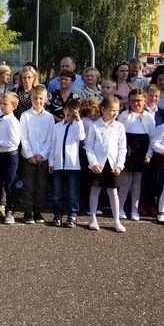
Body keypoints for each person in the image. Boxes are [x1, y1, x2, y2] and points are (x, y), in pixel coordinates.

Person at [84, 95, 127, 232]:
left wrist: (119, 165)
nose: (115, 113)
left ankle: (116, 220)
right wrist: (93, 163)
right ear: (103, 109)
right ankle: (93, 218)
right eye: (112, 110)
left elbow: (122, 148)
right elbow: (88, 146)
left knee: (113, 191)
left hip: (113, 164)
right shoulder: (94, 126)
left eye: (117, 110)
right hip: (98, 164)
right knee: (95, 189)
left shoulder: (119, 127)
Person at [117, 89, 156, 221]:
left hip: (142, 150)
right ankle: (120, 208)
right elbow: (119, 136)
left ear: (145, 101)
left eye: (139, 101)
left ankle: (135, 209)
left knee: (137, 183)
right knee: (125, 181)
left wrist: (149, 154)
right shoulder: (124, 115)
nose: (135, 103)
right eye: (132, 101)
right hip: (128, 149)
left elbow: (152, 138)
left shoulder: (149, 117)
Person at [17, 86, 53, 224]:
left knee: (41, 185)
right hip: (28, 157)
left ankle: (38, 211)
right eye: (35, 98)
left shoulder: (49, 117)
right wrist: (30, 155)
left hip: (43, 157)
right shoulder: (25, 116)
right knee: (28, 185)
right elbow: (23, 137)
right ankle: (28, 212)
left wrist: (42, 154)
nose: (38, 101)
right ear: (30, 99)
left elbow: (50, 138)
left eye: (41, 98)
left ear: (45, 99)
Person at [49, 99, 85, 227]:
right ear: (64, 111)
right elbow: (53, 145)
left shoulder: (77, 126)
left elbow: (81, 137)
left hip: (72, 165)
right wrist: (51, 162)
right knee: (57, 192)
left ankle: (72, 216)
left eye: (73, 116)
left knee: (72, 192)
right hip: (58, 164)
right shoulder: (57, 127)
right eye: (68, 114)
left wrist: (78, 120)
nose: (70, 118)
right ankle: (57, 215)